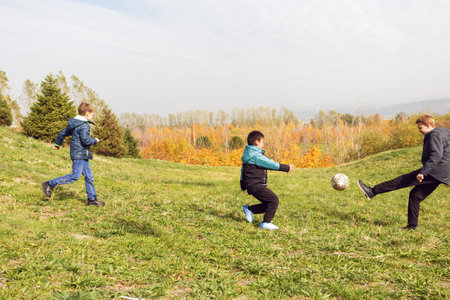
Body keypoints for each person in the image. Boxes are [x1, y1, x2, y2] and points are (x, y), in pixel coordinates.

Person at [357, 114, 450, 230]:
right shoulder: (443, 131)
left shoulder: (434, 135)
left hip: (434, 171)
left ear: (428, 125)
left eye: (420, 128)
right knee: (415, 195)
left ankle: (372, 191)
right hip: (443, 173)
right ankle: (412, 226)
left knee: (401, 181)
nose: (419, 131)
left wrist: (423, 172)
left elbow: (436, 155)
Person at [41, 102, 105, 207]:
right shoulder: (84, 125)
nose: (93, 116)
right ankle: (49, 184)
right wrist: (95, 140)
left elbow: (62, 133)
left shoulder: (75, 123)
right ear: (87, 114)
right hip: (79, 155)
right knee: (75, 176)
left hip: (82, 155)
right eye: (92, 114)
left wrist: (57, 144)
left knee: (89, 177)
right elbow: (86, 141)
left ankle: (92, 200)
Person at [240, 130, 295, 230]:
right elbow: (270, 164)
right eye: (262, 142)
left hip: (252, 184)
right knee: (274, 200)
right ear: (256, 142)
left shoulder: (249, 154)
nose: (263, 144)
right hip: (256, 185)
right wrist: (286, 167)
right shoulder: (256, 156)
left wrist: (242, 183)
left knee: (268, 204)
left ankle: (249, 209)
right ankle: (266, 222)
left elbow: (242, 170)